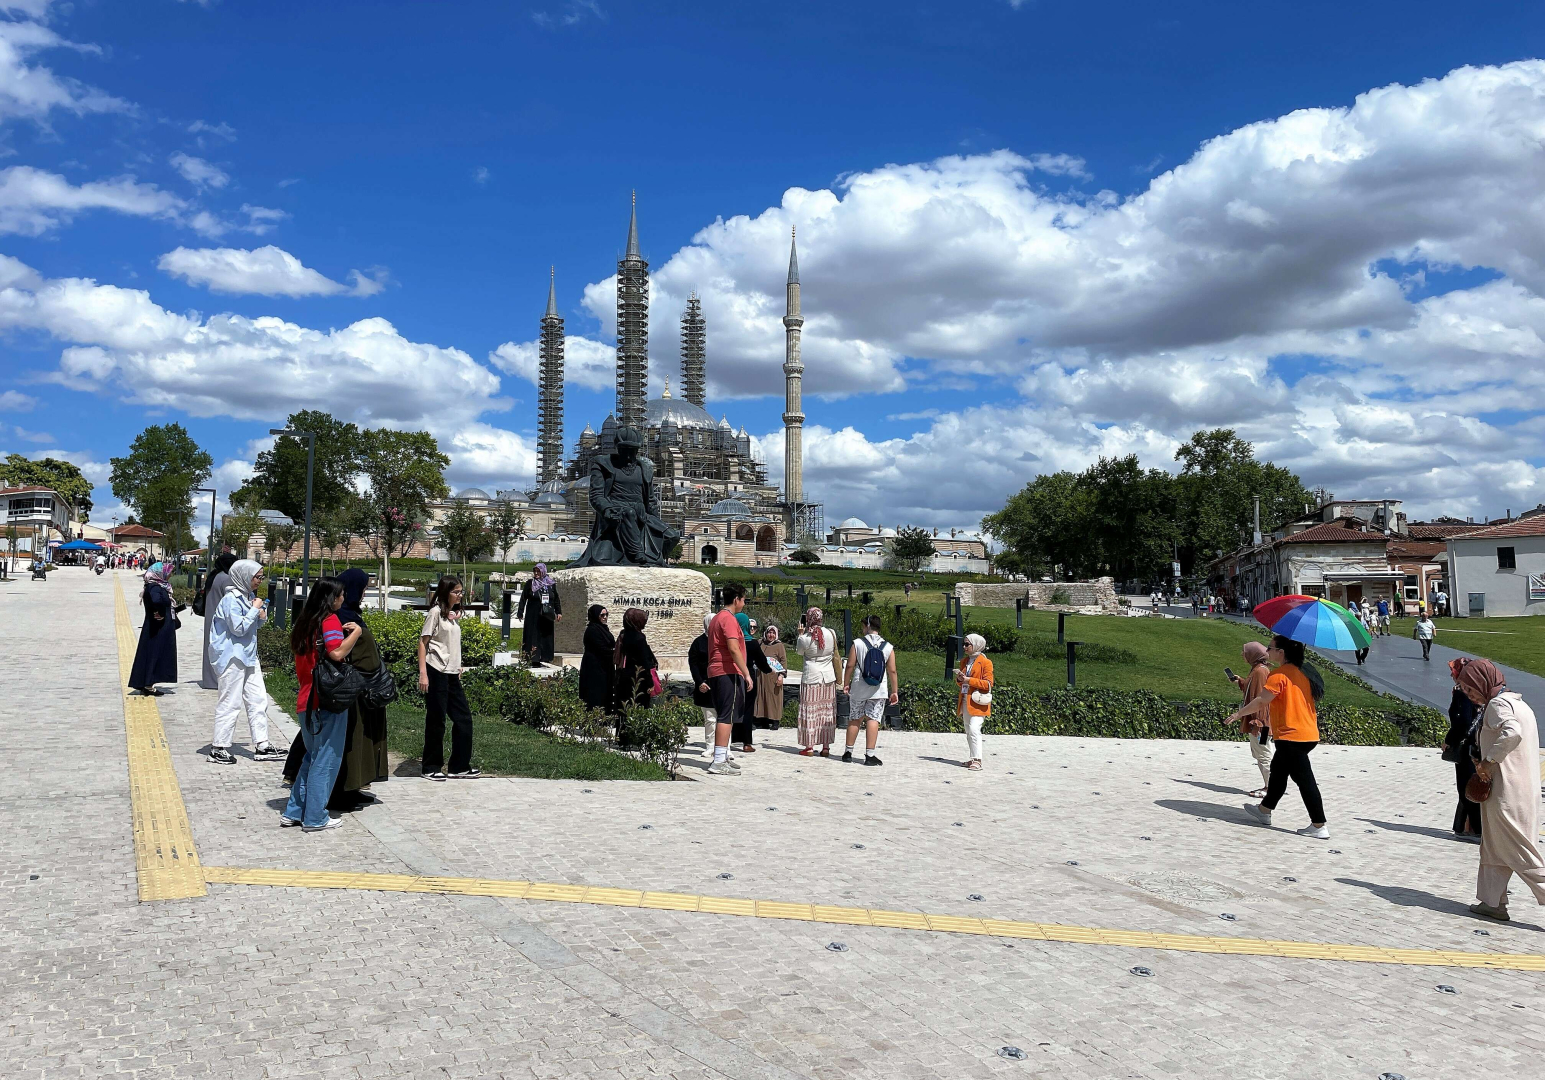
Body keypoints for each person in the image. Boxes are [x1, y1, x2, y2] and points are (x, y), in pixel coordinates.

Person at [1457, 660, 1545, 919]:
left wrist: (1488, 761)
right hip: (1521, 790)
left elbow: (1512, 733)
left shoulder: (1497, 705)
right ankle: (1492, 902)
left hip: (1506, 792)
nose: (1469, 695)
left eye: (1470, 688)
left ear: (1482, 682)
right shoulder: (1519, 704)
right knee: (1494, 848)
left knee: (1521, 853)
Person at [1230, 635, 1330, 839]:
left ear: (1281, 652)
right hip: (1307, 733)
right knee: (1278, 772)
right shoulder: (1303, 672)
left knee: (1305, 781)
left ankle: (1319, 825)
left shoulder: (1279, 675)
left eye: (1270, 648)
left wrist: (1238, 714)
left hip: (1292, 736)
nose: (1267, 651)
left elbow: (1261, 701)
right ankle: (1264, 810)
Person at [283, 577, 361, 832]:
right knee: (326, 759)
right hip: (327, 701)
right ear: (332, 598)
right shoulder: (329, 620)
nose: (343, 599)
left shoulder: (305, 622)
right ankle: (316, 817)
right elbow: (336, 652)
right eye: (340, 595)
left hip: (306, 700)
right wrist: (356, 633)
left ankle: (294, 811)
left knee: (312, 757)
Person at [207, 560, 283, 764]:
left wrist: (261, 614)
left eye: (261, 577)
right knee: (230, 702)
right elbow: (238, 629)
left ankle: (262, 745)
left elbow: (252, 625)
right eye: (257, 577)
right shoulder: (231, 599)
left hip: (248, 655)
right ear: (244, 576)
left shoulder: (249, 597)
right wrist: (254, 610)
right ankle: (218, 747)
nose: (260, 581)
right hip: (232, 656)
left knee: (258, 699)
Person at [418, 576, 478, 781]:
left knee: (463, 719)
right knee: (437, 720)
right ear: (446, 592)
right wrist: (423, 673)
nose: (460, 595)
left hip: (452, 673)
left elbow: (451, 643)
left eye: (461, 592)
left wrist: (457, 665)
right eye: (456, 592)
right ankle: (430, 766)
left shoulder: (452, 615)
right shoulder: (435, 612)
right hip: (436, 670)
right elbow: (423, 643)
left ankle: (459, 766)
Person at [705, 584, 751, 775]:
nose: (744, 603)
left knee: (726, 715)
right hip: (727, 672)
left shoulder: (717, 617)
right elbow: (733, 648)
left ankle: (722, 757)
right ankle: (718, 761)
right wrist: (746, 673)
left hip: (717, 672)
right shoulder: (729, 619)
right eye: (743, 599)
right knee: (726, 715)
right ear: (736, 599)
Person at [842, 614, 898, 766]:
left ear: (867, 626)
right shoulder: (888, 647)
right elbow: (892, 670)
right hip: (878, 689)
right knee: (873, 719)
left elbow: (850, 665)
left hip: (859, 687)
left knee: (855, 718)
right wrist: (894, 691)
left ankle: (848, 752)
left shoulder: (857, 643)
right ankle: (870, 755)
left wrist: (846, 683)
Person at [1227, 640, 1273, 799]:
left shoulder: (1260, 672)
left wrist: (1257, 723)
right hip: (1261, 723)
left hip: (1261, 724)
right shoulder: (1258, 670)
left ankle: (1271, 788)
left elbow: (1261, 700)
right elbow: (1252, 690)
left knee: (1264, 754)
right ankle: (1269, 786)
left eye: (1245, 652)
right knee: (1261, 753)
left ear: (1253, 655)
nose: (1243, 654)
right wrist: (1240, 681)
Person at [1443, 658, 1483, 840]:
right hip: (1478, 744)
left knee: (1466, 786)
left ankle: (1476, 829)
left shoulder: (1462, 692)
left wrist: (1449, 740)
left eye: (1453, 671)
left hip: (1466, 746)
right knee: (1471, 784)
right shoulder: (1479, 690)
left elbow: (1463, 722)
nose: (1451, 674)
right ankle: (1462, 826)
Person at [128, 562, 178, 695]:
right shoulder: (155, 587)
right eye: (168, 572)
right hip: (158, 628)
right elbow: (156, 600)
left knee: (150, 653)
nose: (170, 575)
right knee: (154, 654)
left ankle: (145, 682)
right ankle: (148, 684)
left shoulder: (153, 585)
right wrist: (159, 611)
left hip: (155, 627)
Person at [794, 606, 838, 757]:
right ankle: (826, 746)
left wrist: (800, 634)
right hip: (828, 677)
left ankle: (809, 746)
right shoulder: (831, 633)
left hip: (811, 677)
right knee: (826, 711)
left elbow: (799, 652)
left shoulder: (805, 638)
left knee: (810, 711)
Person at [198, 552, 239, 689]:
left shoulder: (214, 576)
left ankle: (209, 680)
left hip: (211, 616)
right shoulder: (227, 578)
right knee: (222, 649)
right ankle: (219, 681)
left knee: (211, 648)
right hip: (221, 619)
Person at [956, 633, 993, 770]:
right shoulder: (964, 661)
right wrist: (960, 679)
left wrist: (968, 680)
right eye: (963, 644)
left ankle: (978, 760)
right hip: (965, 699)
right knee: (968, 729)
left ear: (976, 645)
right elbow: (961, 683)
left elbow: (988, 684)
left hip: (978, 701)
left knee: (974, 728)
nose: (964, 647)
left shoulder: (986, 662)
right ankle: (973, 758)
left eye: (967, 644)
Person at [517, 563, 562, 665]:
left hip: (547, 615)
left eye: (538, 571)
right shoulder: (530, 583)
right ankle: (533, 658)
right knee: (533, 635)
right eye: (535, 571)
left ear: (543, 571)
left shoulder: (550, 584)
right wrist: (520, 612)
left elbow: (556, 599)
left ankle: (545, 657)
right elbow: (523, 598)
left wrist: (558, 612)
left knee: (546, 635)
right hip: (533, 615)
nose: (536, 573)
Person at [614, 607, 658, 712]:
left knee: (625, 707)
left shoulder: (623, 634)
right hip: (638, 678)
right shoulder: (639, 638)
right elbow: (644, 661)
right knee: (639, 706)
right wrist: (650, 683)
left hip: (624, 676)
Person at [578, 604, 615, 711]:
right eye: (602, 615)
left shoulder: (603, 629)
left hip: (604, 666)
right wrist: (614, 652)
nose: (605, 617)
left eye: (606, 614)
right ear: (595, 615)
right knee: (596, 694)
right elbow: (601, 648)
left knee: (605, 692)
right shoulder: (592, 630)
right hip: (594, 668)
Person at [688, 614, 716, 753]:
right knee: (710, 719)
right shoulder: (698, 643)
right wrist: (699, 682)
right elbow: (693, 665)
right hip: (705, 685)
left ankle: (725, 748)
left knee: (725, 718)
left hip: (721, 684)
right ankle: (710, 746)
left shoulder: (724, 641)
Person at [754, 624, 787, 730]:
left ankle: (775, 721)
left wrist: (781, 676)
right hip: (761, 676)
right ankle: (762, 721)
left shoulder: (779, 646)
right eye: (769, 632)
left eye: (773, 633)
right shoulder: (760, 643)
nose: (771, 635)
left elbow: (783, 661)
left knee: (773, 698)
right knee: (761, 696)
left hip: (773, 676)